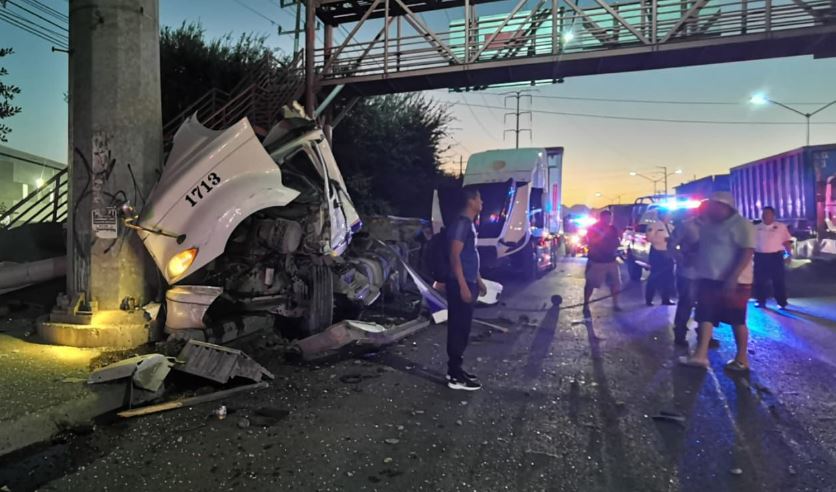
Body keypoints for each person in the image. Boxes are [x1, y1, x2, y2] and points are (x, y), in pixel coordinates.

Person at [680, 191, 755, 372]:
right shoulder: (709, 224)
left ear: (725, 207)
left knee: (737, 320)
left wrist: (733, 277)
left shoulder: (742, 225)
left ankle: (742, 358)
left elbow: (747, 251)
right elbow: (702, 247)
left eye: (714, 206)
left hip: (734, 282)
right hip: (708, 278)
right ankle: (700, 355)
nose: (710, 209)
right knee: (705, 316)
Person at [446, 186, 487, 391]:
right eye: (480, 199)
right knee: (459, 328)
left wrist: (478, 280)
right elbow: (455, 256)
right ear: (471, 201)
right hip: (459, 283)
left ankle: (455, 369)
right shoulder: (462, 224)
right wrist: (463, 286)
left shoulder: (468, 224)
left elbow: (469, 256)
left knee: (463, 328)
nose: (482, 202)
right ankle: (455, 375)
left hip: (468, 281)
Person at [583, 209, 622, 316]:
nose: (609, 220)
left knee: (615, 284)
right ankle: (586, 304)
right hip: (597, 261)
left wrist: (616, 246)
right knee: (590, 284)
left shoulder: (612, 228)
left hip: (611, 261)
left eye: (610, 218)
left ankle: (616, 304)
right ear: (602, 218)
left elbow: (617, 241)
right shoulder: (593, 228)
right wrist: (602, 235)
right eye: (607, 218)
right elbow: (591, 242)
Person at [754, 206, 792, 309]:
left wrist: (789, 255)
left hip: (775, 256)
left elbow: (786, 242)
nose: (765, 215)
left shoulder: (780, 227)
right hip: (760, 256)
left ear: (773, 215)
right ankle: (760, 301)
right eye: (763, 213)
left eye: (768, 213)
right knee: (760, 280)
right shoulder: (756, 228)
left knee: (778, 280)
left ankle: (781, 302)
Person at [645, 209, 676, 306]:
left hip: (668, 253)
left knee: (668, 277)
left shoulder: (671, 227)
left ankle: (665, 299)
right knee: (654, 277)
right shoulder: (653, 226)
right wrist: (664, 239)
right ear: (662, 215)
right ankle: (649, 299)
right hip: (657, 253)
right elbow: (649, 238)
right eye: (668, 214)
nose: (670, 216)